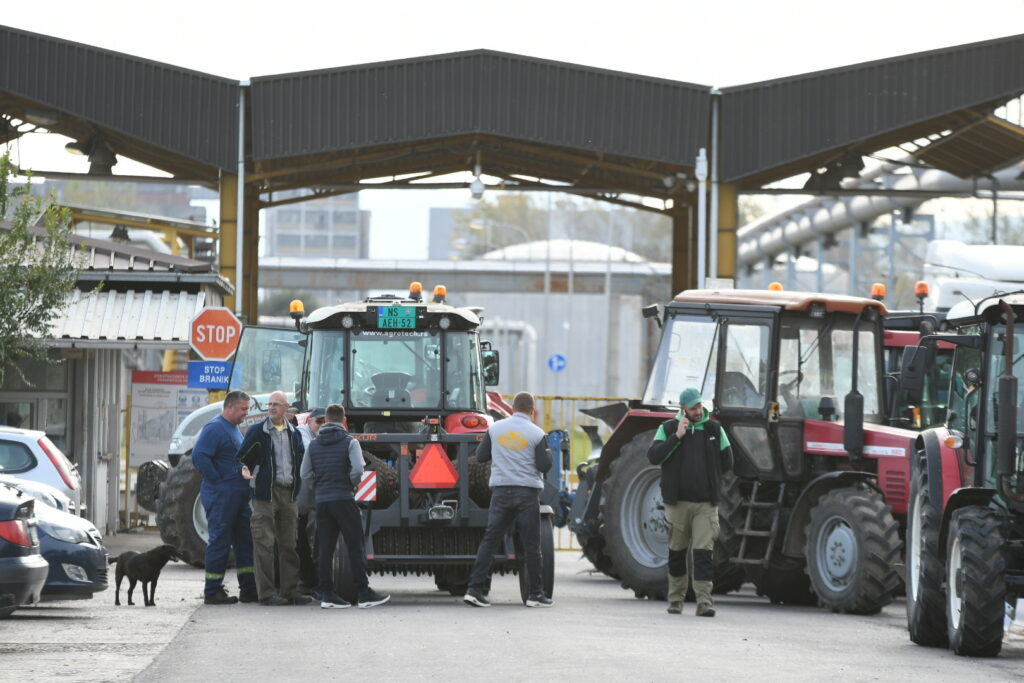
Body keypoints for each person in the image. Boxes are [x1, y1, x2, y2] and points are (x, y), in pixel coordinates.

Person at [648, 387, 733, 617]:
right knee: (677, 552)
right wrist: (677, 436)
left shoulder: (715, 429)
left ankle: (704, 602)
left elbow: (727, 461)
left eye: (699, 406)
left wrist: (711, 480)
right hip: (677, 504)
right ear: (682, 409)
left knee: (703, 554)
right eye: (693, 407)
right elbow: (653, 456)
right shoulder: (666, 429)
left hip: (706, 504)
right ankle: (676, 600)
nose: (698, 410)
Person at [463, 391, 553, 608]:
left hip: (501, 493)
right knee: (531, 545)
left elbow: (481, 456)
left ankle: (474, 590)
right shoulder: (537, 433)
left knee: (490, 541)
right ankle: (535, 595)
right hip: (527, 494)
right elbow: (544, 465)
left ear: (512, 408)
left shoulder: (495, 429)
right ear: (531, 411)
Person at [300, 403, 390, 609]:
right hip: (343, 499)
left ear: (326, 420)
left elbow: (304, 474)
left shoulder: (314, 444)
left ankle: (327, 594)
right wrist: (350, 483)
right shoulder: (350, 442)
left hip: (322, 501)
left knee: (325, 549)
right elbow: (358, 468)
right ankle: (364, 593)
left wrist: (320, 486)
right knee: (355, 545)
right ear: (343, 420)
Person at [237, 391, 310, 606]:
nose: (271, 408)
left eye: (276, 404)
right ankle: (267, 594)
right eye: (269, 404)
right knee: (264, 544)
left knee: (289, 544)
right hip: (264, 495)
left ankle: (289, 592)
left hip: (289, 495)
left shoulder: (294, 434)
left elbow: (300, 462)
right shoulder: (257, 432)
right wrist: (243, 468)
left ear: (286, 407)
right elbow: (241, 457)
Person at [190, 390, 257, 605]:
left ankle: (248, 588)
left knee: (245, 542)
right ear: (230, 407)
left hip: (238, 497)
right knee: (219, 542)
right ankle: (212, 591)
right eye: (243, 409)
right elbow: (199, 456)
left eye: (247, 409)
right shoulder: (215, 428)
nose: (246, 413)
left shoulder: (234, 429)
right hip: (222, 496)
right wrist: (218, 480)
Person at [294, 407, 327, 592]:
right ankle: (307, 580)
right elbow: (310, 453)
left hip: (313, 499)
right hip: (301, 500)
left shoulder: (322, 435)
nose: (322, 426)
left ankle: (312, 580)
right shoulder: (302, 432)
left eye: (325, 422)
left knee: (313, 539)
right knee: (300, 540)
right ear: (309, 422)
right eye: (318, 422)